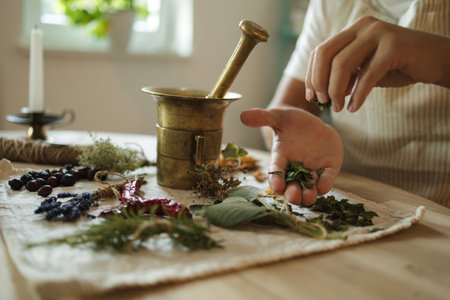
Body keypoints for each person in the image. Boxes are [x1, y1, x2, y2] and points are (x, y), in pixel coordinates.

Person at [241, 0, 450, 207]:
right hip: (349, 194)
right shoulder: (329, 4)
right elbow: (285, 109)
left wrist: (442, 60)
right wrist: (287, 132)